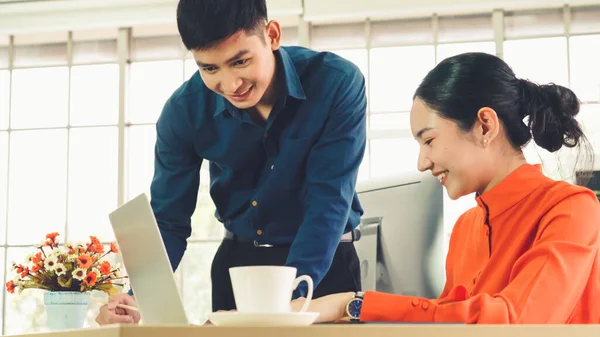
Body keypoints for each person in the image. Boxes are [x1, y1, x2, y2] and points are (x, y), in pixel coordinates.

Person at [95, 0, 366, 325]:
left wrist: (283, 304)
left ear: (272, 35)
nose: (231, 84)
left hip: (324, 268)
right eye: (210, 68)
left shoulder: (337, 82)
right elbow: (168, 221)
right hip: (239, 269)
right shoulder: (184, 111)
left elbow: (328, 204)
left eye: (240, 61)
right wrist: (133, 299)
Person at [290, 52, 600, 324]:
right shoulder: (467, 228)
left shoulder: (572, 209)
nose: (422, 163)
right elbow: (447, 323)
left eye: (429, 140)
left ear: (485, 126)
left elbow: (515, 321)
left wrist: (353, 304)